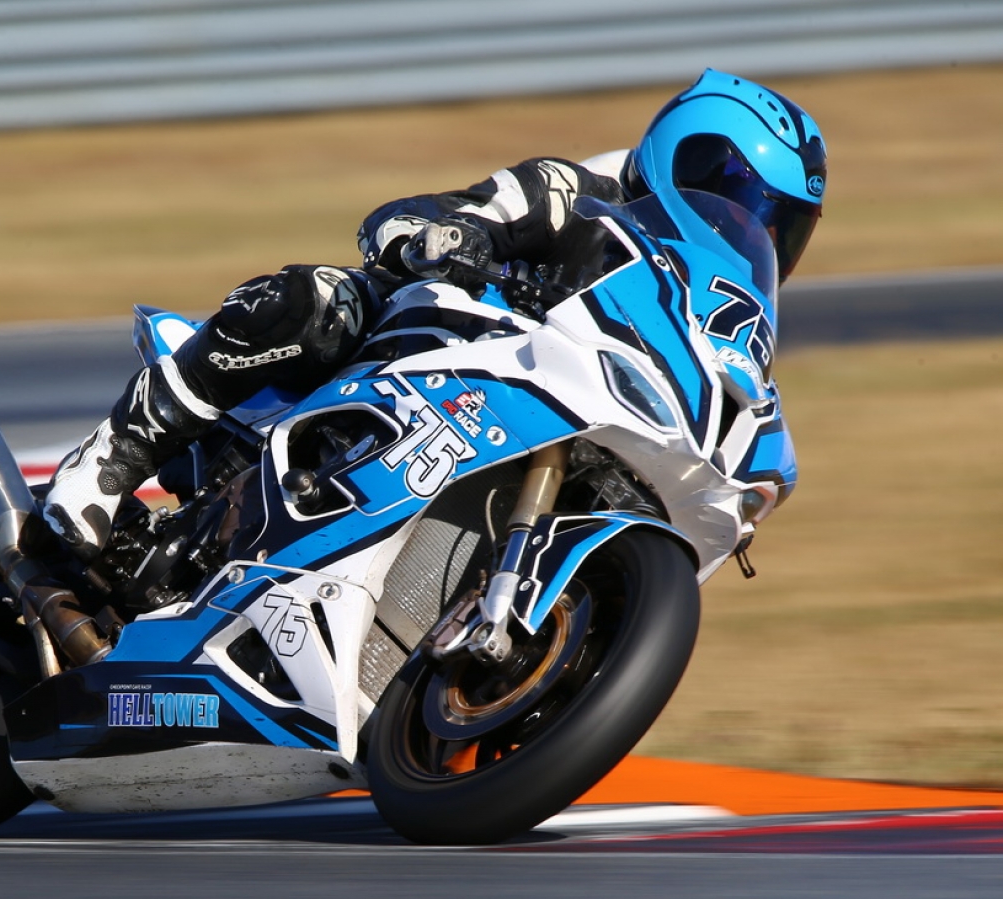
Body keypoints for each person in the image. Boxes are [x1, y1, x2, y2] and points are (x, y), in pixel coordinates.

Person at [43, 69, 827, 559]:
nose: (750, 224)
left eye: (778, 221)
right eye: (733, 191)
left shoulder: (710, 311)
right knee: (321, 300)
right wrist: (445, 238)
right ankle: (114, 455)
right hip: (432, 354)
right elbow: (411, 216)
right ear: (680, 156)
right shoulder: (572, 193)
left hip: (559, 414)